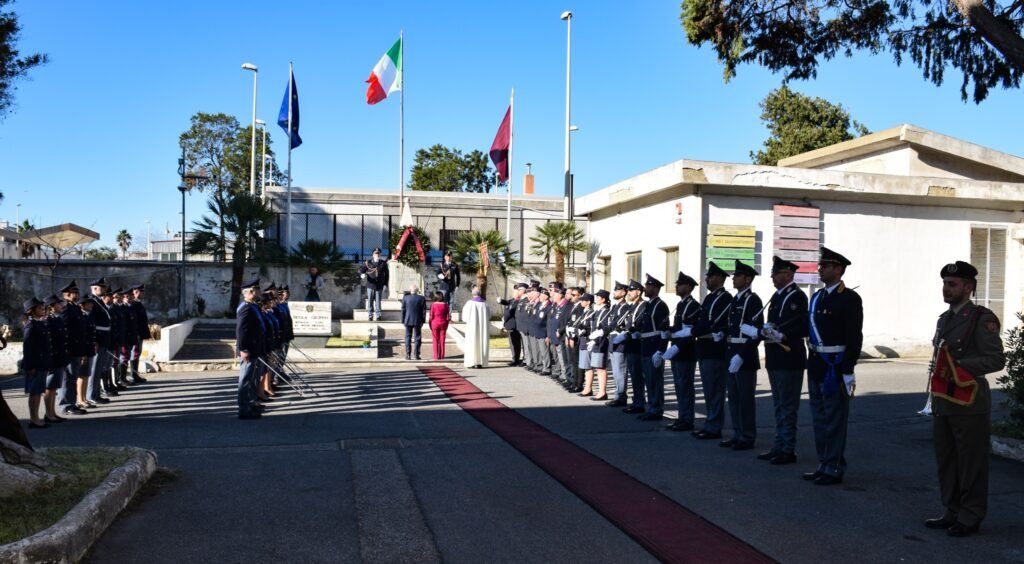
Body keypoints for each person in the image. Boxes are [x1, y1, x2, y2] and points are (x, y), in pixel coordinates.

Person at [924, 261, 1005, 537]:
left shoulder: (982, 318)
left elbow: (996, 359)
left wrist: (959, 367)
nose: (946, 289)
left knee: (971, 462)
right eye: (945, 283)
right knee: (947, 460)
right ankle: (952, 510)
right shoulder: (944, 319)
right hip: (945, 400)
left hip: (969, 401)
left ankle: (970, 516)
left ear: (968, 287)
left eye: (952, 284)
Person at [804, 246, 863, 486]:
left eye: (826, 266)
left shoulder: (849, 298)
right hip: (816, 363)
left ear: (838, 269)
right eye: (821, 265)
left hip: (835, 366)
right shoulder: (817, 297)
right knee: (819, 417)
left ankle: (835, 466)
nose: (821, 269)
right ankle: (823, 463)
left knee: (835, 418)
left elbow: (854, 337)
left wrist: (848, 369)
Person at [759, 256, 809, 465]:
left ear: (788, 274)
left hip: (789, 358)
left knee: (788, 405)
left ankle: (788, 448)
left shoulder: (797, 296)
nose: (772, 276)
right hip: (775, 357)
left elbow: (801, 325)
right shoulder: (777, 296)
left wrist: (783, 335)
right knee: (779, 405)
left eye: (776, 272)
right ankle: (779, 444)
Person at [723, 260, 764, 450]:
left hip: (744, 356)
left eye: (738, 276)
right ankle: (737, 433)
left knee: (745, 399)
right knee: (733, 397)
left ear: (748, 278)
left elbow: (756, 333)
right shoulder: (735, 299)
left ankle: (747, 436)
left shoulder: (752, 300)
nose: (734, 278)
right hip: (731, 352)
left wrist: (742, 355)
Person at [693, 262, 732, 440]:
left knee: (715, 390)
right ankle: (710, 422)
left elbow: (713, 323)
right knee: (709, 390)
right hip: (704, 348)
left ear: (719, 278)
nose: (706, 279)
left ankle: (714, 426)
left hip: (715, 349)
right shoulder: (709, 298)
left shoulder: (725, 298)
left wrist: (693, 331)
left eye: (709, 276)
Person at [665, 272, 700, 432]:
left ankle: (687, 419)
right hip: (677, 350)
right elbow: (679, 328)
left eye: (680, 284)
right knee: (679, 386)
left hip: (685, 351)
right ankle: (682, 417)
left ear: (688, 287)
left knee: (685, 385)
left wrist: (677, 346)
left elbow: (689, 331)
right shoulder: (681, 305)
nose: (677, 287)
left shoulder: (693, 305)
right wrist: (668, 331)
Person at [636, 274, 671, 421]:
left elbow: (664, 330)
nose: (646, 288)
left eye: (649, 286)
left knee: (655, 380)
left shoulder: (660, 305)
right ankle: (651, 407)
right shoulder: (649, 305)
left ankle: (656, 409)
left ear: (656, 288)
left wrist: (661, 350)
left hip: (654, 348)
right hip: (645, 347)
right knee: (649, 380)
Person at [58, 280, 89, 416]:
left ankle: (72, 403)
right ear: (67, 295)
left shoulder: (75, 308)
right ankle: (66, 405)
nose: (78, 294)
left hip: (77, 349)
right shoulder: (65, 309)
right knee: (68, 379)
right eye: (75, 293)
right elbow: (63, 330)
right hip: (70, 349)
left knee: (73, 378)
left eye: (77, 292)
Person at [235, 279, 265, 420]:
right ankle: (243, 409)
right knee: (245, 380)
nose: (259, 292)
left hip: (254, 348)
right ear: (250, 292)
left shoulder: (252, 306)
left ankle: (250, 404)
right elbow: (241, 331)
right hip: (248, 349)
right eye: (256, 290)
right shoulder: (246, 308)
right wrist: (244, 349)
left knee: (252, 378)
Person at [21, 298, 52, 429]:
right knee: (34, 393)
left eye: (43, 308)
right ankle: (33, 419)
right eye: (40, 308)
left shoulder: (40, 323)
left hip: (42, 363)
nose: (43, 310)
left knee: (39, 391)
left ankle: (37, 417)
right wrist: (30, 366)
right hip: (35, 364)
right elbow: (27, 348)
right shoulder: (31, 325)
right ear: (32, 311)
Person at [618, 279, 647, 414]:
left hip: (637, 345)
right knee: (634, 375)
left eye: (631, 290)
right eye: (628, 290)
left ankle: (639, 402)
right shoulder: (633, 306)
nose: (628, 292)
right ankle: (637, 401)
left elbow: (639, 324)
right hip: (630, 344)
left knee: (637, 375)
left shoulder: (642, 305)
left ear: (639, 292)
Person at [43, 295, 70, 424]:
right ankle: (48, 414)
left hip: (60, 357)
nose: (61, 306)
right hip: (53, 358)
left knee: (54, 387)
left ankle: (52, 412)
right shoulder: (48, 321)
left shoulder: (58, 320)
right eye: (58, 304)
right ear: (51, 307)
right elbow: (48, 343)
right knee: (49, 387)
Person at [86, 279, 113, 406]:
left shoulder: (98, 302)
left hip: (104, 339)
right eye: (102, 287)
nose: (104, 289)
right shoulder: (92, 302)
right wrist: (94, 340)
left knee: (99, 370)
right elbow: (91, 323)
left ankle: (96, 394)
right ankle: (91, 395)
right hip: (98, 339)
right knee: (94, 370)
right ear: (94, 289)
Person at [605, 282, 632, 407]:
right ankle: (618, 395)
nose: (614, 292)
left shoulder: (625, 307)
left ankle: (621, 396)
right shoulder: (615, 307)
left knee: (620, 371)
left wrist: (608, 329)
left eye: (617, 291)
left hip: (619, 343)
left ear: (623, 292)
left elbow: (619, 324)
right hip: (613, 341)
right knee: (616, 372)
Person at [461, 286, 490, 369]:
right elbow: (489, 316)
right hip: (482, 328)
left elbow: (464, 318)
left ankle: (472, 362)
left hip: (472, 328)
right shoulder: (485, 304)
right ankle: (481, 362)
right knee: (481, 342)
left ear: (472, 294)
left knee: (472, 343)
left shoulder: (469, 304)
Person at [498, 283, 526, 366]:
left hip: (513, 325)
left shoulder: (517, 302)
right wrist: (500, 301)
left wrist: (504, 318)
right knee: (512, 343)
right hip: (509, 325)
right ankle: (515, 358)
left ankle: (516, 359)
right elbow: (507, 302)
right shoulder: (513, 300)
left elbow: (510, 312)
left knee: (515, 344)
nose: (514, 293)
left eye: (516, 292)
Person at [359, 248, 390, 321]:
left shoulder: (383, 263)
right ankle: (370, 315)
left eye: (378, 253)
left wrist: (386, 284)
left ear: (380, 254)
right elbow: (361, 270)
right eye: (376, 253)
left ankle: (378, 315)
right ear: (373, 254)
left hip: (379, 285)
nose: (377, 255)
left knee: (378, 301)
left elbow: (387, 275)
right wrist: (362, 274)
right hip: (370, 284)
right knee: (370, 301)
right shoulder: (368, 262)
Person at [128, 284, 149, 383]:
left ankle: (135, 374)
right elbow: (134, 321)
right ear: (135, 292)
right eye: (141, 292)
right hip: (136, 334)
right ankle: (133, 375)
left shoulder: (138, 303)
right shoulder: (134, 304)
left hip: (140, 333)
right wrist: (136, 333)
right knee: (134, 354)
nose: (143, 294)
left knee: (137, 354)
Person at [401, 284, 427, 360]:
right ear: (417, 291)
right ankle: (416, 354)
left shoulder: (405, 298)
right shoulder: (421, 298)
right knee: (417, 338)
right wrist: (423, 320)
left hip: (408, 319)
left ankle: (408, 354)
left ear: (410, 290)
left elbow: (403, 310)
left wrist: (403, 320)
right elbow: (424, 311)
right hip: (418, 320)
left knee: (408, 337)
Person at [430, 291, 451, 360]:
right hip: (443, 323)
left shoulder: (433, 305)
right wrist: (447, 324)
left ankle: (436, 356)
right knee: (442, 340)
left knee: (435, 340)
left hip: (435, 323)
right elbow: (448, 317)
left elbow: (431, 316)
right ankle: (442, 355)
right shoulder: (445, 305)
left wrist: (430, 324)